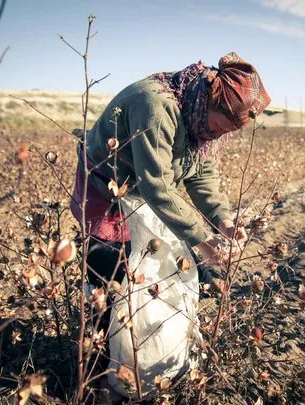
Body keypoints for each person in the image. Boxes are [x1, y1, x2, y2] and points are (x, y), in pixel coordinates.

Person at [69, 50, 270, 301]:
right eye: (220, 127)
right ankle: (101, 334)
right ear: (209, 102)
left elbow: (200, 173)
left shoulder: (198, 117)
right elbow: (157, 187)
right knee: (112, 283)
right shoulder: (156, 108)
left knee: (153, 272)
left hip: (141, 193)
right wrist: (204, 241)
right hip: (104, 190)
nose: (218, 135)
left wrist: (223, 221)